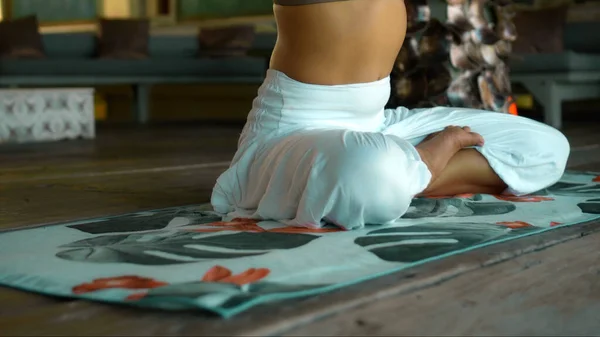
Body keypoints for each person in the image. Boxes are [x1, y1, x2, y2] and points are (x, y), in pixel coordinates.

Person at [211, 0, 570, 230]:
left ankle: (403, 174)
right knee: (369, 172)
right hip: (295, 129)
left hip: (379, 123)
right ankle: (417, 163)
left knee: (547, 148)